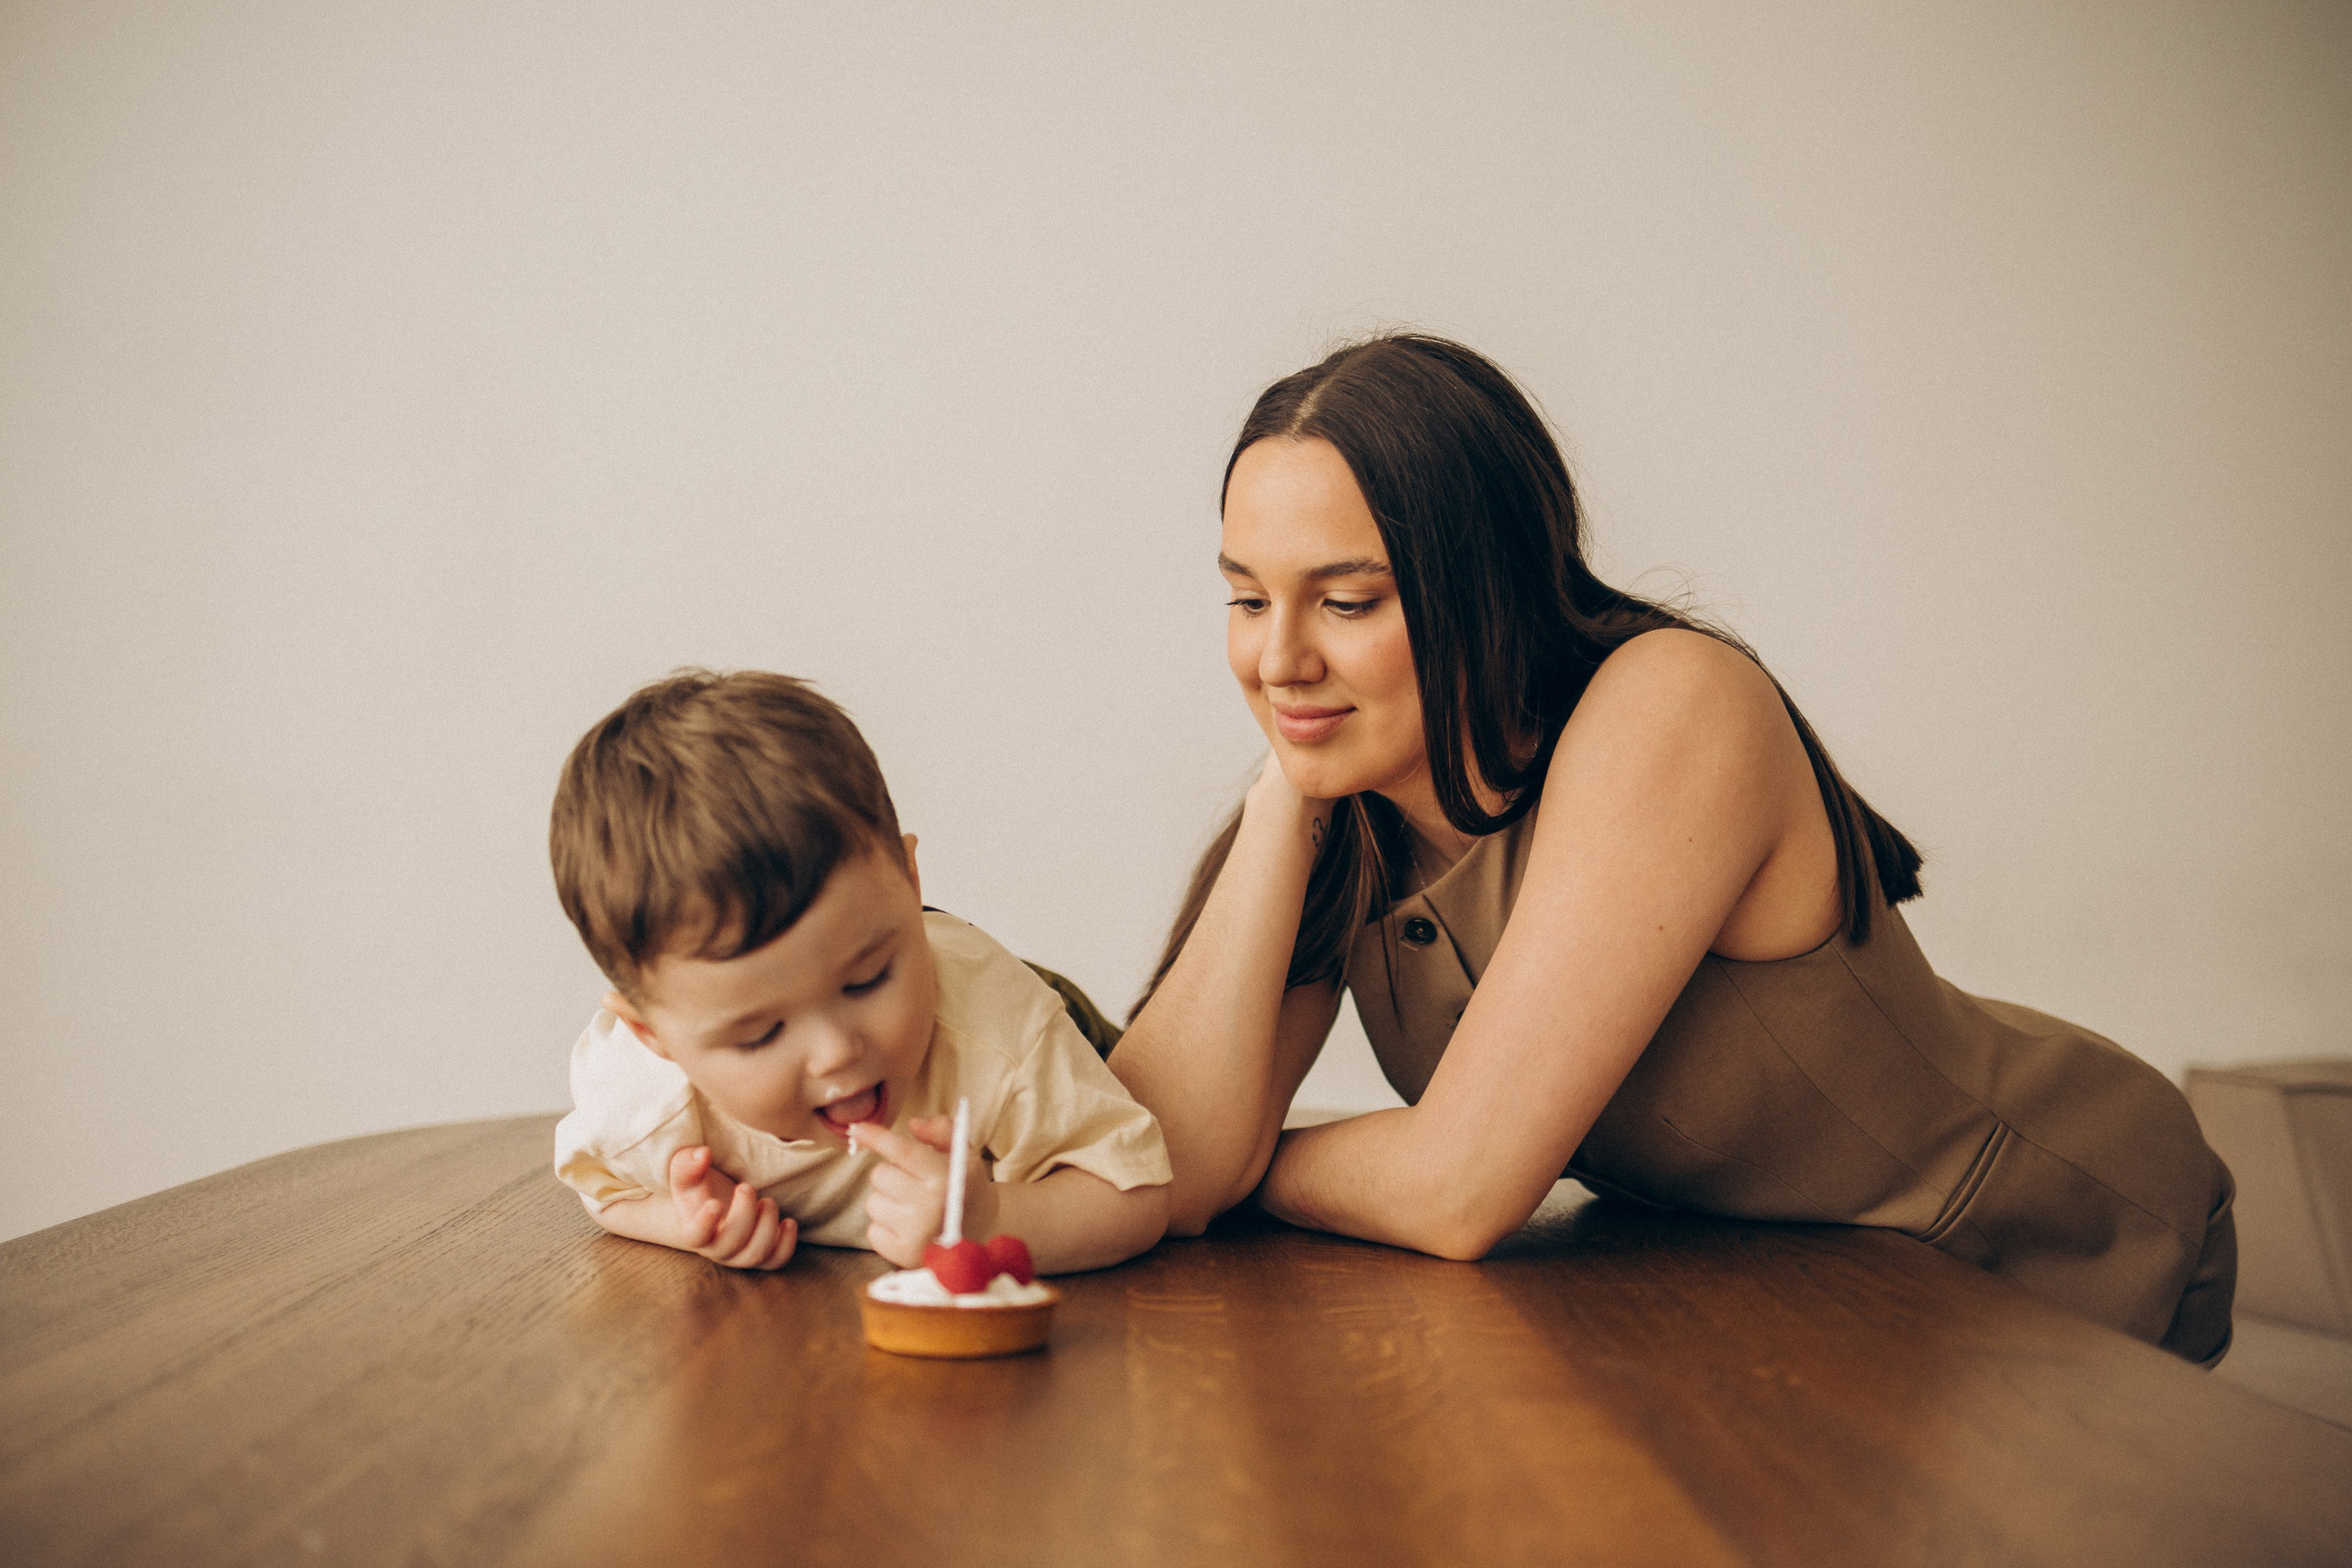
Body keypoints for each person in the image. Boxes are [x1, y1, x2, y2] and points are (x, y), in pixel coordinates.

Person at [1108, 334, 2235, 1362]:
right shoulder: (1334, 815)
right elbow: (1144, 1159)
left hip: (2033, 1239)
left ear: (1488, 591)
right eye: (1246, 601)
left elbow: (1453, 1190)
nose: (1277, 660)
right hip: (1785, 1300)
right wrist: (1278, 798)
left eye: (1346, 601)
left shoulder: (1672, 705)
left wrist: (1254, 1165)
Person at [548, 670, 1169, 1273]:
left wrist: (993, 1218)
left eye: (866, 979)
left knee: (1205, 1156)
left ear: (910, 881)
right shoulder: (642, 1095)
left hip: (1048, 1025)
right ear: (652, 1036)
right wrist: (684, 1223)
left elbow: (1138, 1192)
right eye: (760, 1034)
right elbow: (603, 1189)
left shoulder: (997, 1029)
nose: (836, 1051)